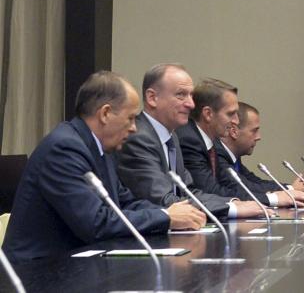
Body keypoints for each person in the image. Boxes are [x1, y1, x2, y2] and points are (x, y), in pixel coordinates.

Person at [2, 71, 206, 261]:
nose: (135, 128)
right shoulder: (64, 149)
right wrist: (165, 217)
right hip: (38, 271)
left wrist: (172, 212)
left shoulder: (101, 148)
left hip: (77, 265)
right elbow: (95, 223)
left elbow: (124, 203)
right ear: (105, 113)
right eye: (131, 118)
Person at [116, 63, 262, 219]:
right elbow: (165, 201)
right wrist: (230, 209)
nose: (191, 104)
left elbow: (189, 191)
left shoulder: (171, 137)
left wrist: (233, 203)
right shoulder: (139, 138)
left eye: (191, 96)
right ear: (152, 98)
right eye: (181, 95)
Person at [178, 81, 304, 207]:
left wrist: (282, 194)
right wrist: (273, 198)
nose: (235, 121)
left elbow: (234, 185)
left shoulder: (209, 142)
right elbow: (211, 191)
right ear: (208, 114)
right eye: (230, 114)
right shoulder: (190, 141)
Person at [217, 101, 304, 203]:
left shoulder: (232, 156)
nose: (259, 137)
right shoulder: (216, 156)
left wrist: (289, 188)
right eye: (254, 131)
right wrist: (290, 190)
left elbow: (255, 182)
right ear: (234, 131)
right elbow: (245, 188)